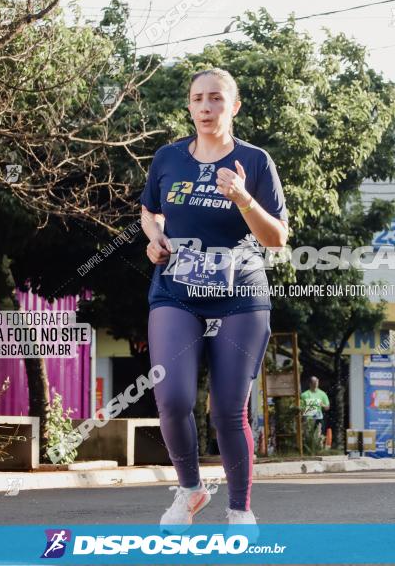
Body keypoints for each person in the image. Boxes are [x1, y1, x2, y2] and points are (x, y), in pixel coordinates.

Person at [140, 68, 288, 527]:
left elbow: (278, 237)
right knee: (173, 397)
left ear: (234, 106)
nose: (206, 107)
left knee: (227, 407)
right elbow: (150, 210)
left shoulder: (256, 161)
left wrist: (243, 198)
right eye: (198, 99)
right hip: (176, 291)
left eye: (216, 99)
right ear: (189, 106)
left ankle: (240, 510)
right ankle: (189, 490)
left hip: (239, 295)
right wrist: (155, 238)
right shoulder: (167, 158)